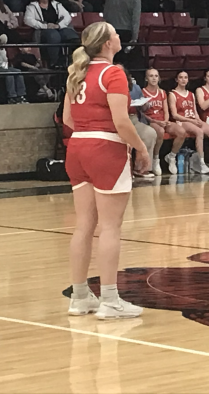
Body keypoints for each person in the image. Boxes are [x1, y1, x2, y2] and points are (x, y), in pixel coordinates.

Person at [64, 21, 148, 320]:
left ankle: (79, 297)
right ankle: (110, 300)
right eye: (115, 32)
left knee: (84, 225)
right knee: (110, 227)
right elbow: (122, 122)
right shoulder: (113, 73)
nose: (118, 35)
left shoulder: (77, 72)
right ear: (106, 43)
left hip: (76, 148)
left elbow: (68, 119)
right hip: (105, 149)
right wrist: (142, 147)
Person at [168, 71, 209, 175]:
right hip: (182, 121)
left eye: (185, 77)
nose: (183, 80)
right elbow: (174, 115)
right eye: (181, 77)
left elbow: (195, 111)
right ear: (176, 79)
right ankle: (201, 163)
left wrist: (199, 120)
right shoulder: (172, 94)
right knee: (199, 132)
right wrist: (192, 120)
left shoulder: (191, 94)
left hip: (192, 119)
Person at [140, 68, 187, 175]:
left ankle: (171, 157)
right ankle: (156, 159)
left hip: (163, 120)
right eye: (151, 76)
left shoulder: (162, 92)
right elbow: (141, 114)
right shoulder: (143, 92)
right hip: (151, 121)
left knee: (181, 132)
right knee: (160, 131)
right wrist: (155, 121)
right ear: (146, 78)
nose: (154, 78)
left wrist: (166, 121)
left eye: (156, 76)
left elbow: (165, 110)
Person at [24, 0, 80, 68]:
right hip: (44, 30)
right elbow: (28, 20)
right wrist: (46, 26)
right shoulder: (32, 6)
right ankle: (55, 62)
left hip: (59, 27)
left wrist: (59, 25)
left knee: (70, 34)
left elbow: (67, 16)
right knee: (54, 35)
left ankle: (75, 61)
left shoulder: (56, 4)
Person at [123, 68, 156, 178]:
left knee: (150, 133)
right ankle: (125, 170)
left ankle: (142, 168)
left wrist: (144, 104)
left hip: (134, 118)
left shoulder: (135, 87)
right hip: (118, 120)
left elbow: (143, 107)